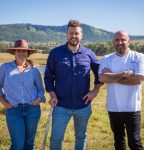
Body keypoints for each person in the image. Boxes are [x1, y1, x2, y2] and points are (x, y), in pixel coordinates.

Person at [44, 19, 102, 150]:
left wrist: (95, 91)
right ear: (67, 34)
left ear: (82, 35)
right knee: (55, 138)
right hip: (60, 106)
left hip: (83, 106)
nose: (74, 36)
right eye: (71, 33)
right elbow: (48, 77)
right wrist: (52, 95)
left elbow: (100, 73)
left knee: (81, 137)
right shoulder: (55, 53)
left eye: (76, 33)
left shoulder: (89, 54)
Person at [99, 30, 144, 150]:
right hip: (114, 107)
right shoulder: (107, 58)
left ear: (129, 41)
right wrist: (124, 74)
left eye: (123, 40)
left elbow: (138, 80)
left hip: (133, 108)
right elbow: (102, 77)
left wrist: (113, 77)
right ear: (113, 42)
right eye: (117, 40)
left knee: (135, 142)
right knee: (118, 141)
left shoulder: (139, 57)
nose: (119, 42)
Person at [0, 39, 46, 150]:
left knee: (29, 144)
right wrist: (4, 102)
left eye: (24, 51)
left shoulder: (34, 70)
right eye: (19, 50)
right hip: (14, 110)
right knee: (18, 145)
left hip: (32, 110)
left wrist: (39, 99)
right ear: (14, 52)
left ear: (28, 53)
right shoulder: (5, 68)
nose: (22, 53)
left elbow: (40, 88)